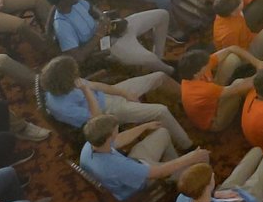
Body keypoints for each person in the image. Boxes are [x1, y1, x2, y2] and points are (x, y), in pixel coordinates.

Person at [40, 55, 191, 147]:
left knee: (159, 76)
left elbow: (97, 86)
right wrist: (86, 91)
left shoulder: (65, 82)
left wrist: (124, 93)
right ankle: (187, 145)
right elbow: (98, 119)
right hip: (107, 113)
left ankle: (190, 100)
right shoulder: (63, 108)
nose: (77, 74)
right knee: (161, 110)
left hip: (107, 97)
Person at [45, 0, 174, 75]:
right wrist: (100, 34)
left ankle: (159, 58)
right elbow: (79, 57)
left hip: (113, 28)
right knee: (150, 59)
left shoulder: (75, 2)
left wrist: (102, 17)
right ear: (62, 1)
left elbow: (92, 8)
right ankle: (170, 72)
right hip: (107, 45)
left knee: (162, 15)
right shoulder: (62, 26)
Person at [80, 114, 207, 202]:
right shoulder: (118, 166)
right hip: (140, 187)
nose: (118, 132)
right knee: (200, 159)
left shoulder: (91, 145)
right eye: (116, 130)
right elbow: (158, 172)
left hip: (133, 167)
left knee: (163, 132)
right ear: (109, 137)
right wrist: (191, 158)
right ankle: (186, 183)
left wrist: (145, 126)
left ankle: (176, 175)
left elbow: (120, 139)